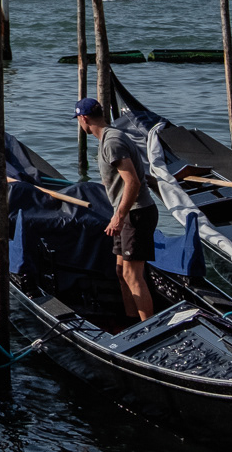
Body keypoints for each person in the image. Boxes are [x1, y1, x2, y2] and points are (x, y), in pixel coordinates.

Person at [76, 97, 156, 321]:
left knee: (132, 275)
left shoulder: (112, 141)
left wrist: (119, 217)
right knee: (121, 272)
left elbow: (133, 182)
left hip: (135, 214)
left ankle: (149, 327)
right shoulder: (110, 137)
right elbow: (135, 176)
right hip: (128, 213)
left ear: (83, 119)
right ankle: (132, 320)